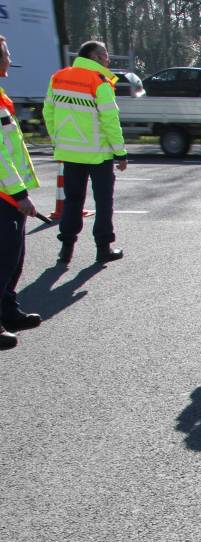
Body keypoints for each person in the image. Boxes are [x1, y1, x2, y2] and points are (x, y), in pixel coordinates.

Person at [43, 40, 127, 265]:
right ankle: (103, 249)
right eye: (105, 55)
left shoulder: (58, 77)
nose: (108, 59)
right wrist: (120, 153)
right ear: (95, 58)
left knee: (72, 201)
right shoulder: (99, 82)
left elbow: (48, 112)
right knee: (103, 202)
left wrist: (57, 140)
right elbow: (110, 120)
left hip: (70, 152)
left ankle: (66, 249)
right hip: (98, 154)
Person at [0, 35, 41, 349]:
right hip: (5, 194)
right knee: (4, 257)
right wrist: (19, 193)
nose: (9, 60)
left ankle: (8, 310)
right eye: (6, 53)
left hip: (10, 195)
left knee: (14, 255)